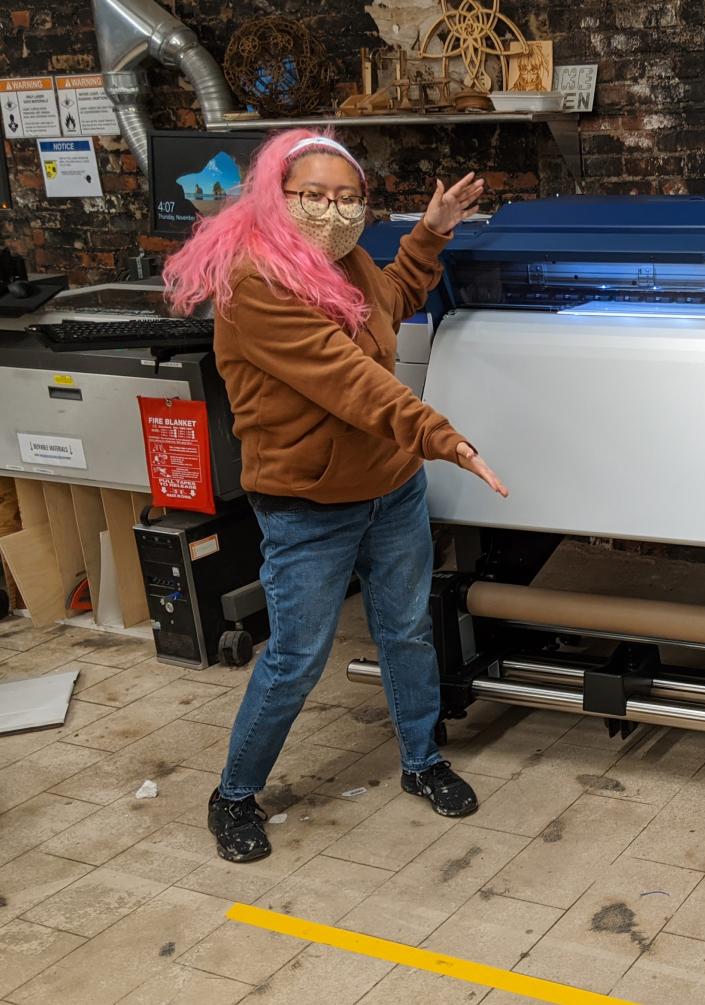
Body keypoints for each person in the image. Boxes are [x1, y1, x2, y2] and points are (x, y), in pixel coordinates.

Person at [164, 129, 509, 863]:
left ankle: (421, 760)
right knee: (295, 655)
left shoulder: (346, 260)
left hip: (391, 491)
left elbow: (392, 296)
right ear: (276, 198)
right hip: (307, 508)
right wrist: (445, 438)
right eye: (313, 196)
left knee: (407, 629)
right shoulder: (256, 282)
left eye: (348, 197)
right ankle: (232, 794)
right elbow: (349, 379)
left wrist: (430, 233)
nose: (332, 210)